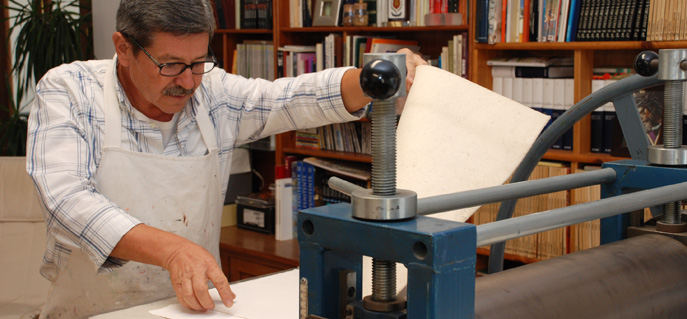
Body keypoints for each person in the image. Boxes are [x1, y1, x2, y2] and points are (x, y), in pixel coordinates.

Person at [25, 0, 427, 318]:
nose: (187, 81)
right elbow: (66, 199)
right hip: (89, 312)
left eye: (198, 62)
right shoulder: (70, 90)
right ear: (124, 47)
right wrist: (173, 250)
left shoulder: (212, 92)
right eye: (170, 65)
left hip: (187, 310)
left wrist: (373, 76)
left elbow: (287, 99)